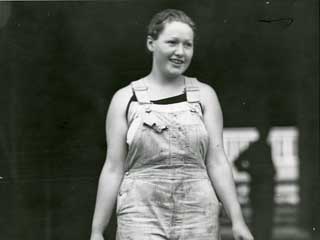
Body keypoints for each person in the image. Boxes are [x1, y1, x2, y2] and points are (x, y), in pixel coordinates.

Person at [90, 9, 253, 240]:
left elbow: (217, 162)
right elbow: (113, 167)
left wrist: (238, 221)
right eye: (172, 42)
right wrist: (97, 230)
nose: (181, 52)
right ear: (151, 43)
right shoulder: (125, 99)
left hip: (198, 212)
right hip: (140, 213)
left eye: (188, 45)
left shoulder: (205, 96)